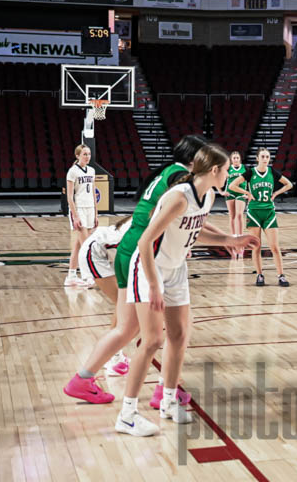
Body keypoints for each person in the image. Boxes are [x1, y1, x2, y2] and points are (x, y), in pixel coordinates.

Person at [64, 135, 237, 407]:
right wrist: (225, 238)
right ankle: (158, 392)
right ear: (195, 161)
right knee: (164, 331)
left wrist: (225, 238)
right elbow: (189, 220)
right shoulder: (182, 181)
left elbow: (189, 222)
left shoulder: (171, 173)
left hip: (128, 249)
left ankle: (87, 379)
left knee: (132, 328)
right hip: (139, 252)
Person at [117, 144, 259, 436]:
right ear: (215, 170)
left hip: (176, 268)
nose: (230, 175)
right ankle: (127, 415)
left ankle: (168, 402)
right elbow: (145, 241)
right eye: (227, 170)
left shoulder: (208, 197)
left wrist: (231, 239)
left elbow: (194, 231)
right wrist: (154, 285)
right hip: (149, 267)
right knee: (153, 339)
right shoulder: (179, 197)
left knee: (180, 336)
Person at [76, 216, 134, 376]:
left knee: (124, 303)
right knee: (124, 304)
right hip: (95, 253)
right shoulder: (150, 218)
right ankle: (113, 357)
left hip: (108, 252)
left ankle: (114, 354)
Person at [232, 148, 294, 286]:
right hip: (254, 212)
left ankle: (281, 276)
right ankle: (259, 275)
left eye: (267, 156)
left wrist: (276, 193)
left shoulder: (272, 172)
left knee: (275, 247)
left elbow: (289, 184)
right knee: (256, 247)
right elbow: (232, 185)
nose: (265, 159)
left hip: (269, 212)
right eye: (263, 156)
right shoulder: (250, 172)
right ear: (257, 158)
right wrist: (247, 193)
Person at [65, 144, 98, 287]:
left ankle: (71, 276)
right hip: (79, 209)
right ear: (77, 155)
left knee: (78, 246)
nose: (87, 157)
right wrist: (75, 216)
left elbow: (93, 193)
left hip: (90, 209)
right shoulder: (72, 171)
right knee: (86, 245)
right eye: (84, 154)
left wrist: (96, 213)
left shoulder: (92, 170)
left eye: (89, 154)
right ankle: (87, 276)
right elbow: (69, 197)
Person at [225, 151, 248, 259]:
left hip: (241, 193)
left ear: (240, 159)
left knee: (239, 215)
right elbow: (220, 179)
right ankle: (233, 238)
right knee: (232, 216)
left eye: (237, 158)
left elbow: (250, 181)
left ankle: (240, 238)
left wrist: (248, 193)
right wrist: (221, 191)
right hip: (230, 193)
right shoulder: (228, 168)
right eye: (234, 158)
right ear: (231, 160)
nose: (236, 159)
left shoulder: (245, 168)